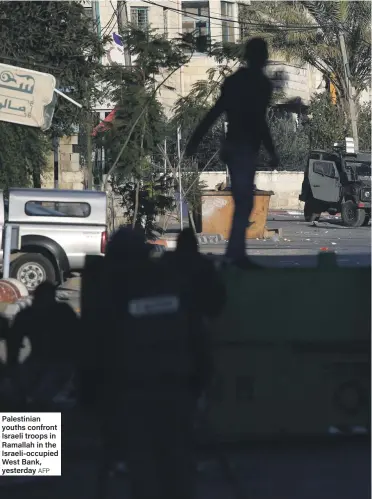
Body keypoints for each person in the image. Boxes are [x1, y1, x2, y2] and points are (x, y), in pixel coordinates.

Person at [98, 227, 218, 499]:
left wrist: (96, 394)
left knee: (145, 466)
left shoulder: (111, 290)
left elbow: (99, 344)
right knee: (176, 462)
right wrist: (200, 379)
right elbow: (197, 333)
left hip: (136, 390)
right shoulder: (171, 280)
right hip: (175, 386)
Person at [185, 37, 279, 263]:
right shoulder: (258, 84)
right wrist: (272, 150)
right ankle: (235, 254)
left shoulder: (238, 81)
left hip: (239, 146)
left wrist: (195, 140)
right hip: (242, 147)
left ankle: (236, 252)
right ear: (262, 58)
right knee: (244, 201)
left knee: (243, 200)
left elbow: (216, 112)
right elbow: (259, 121)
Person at [7, 281, 79, 405]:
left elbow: (13, 345)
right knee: (14, 392)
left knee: (41, 396)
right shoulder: (29, 314)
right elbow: (13, 344)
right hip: (41, 361)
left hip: (60, 362)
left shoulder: (61, 312)